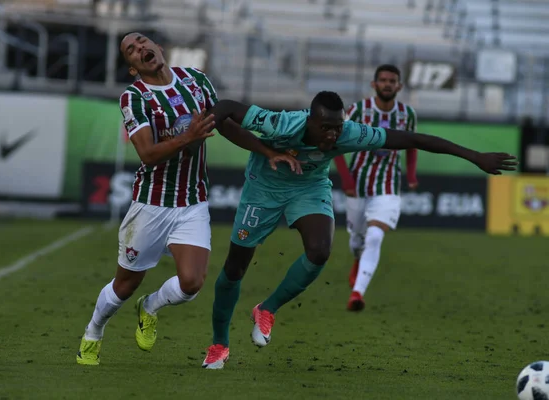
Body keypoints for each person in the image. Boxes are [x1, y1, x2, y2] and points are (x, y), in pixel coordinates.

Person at [200, 91, 517, 369]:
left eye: (337, 127)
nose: (332, 135)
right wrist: (266, 151)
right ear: (310, 121)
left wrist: (475, 156)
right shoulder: (280, 124)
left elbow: (413, 140)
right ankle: (219, 344)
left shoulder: (350, 133)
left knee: (320, 250)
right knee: (235, 268)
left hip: (308, 188)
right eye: (325, 128)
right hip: (263, 189)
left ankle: (267, 309)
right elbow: (225, 109)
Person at [76, 33, 299, 366]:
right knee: (125, 284)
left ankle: (149, 306)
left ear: (159, 48)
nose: (140, 48)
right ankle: (93, 333)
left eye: (143, 42)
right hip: (151, 203)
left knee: (192, 283)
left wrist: (267, 151)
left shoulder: (196, 80)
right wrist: (188, 137)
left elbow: (225, 125)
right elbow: (148, 153)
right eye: (131, 50)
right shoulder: (134, 97)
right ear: (133, 68)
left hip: (192, 201)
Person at [333, 64, 417, 312]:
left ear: (399, 86)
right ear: (374, 84)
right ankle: (357, 260)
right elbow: (335, 141)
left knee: (375, 236)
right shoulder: (358, 110)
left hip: (388, 185)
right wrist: (346, 179)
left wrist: (411, 174)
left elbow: (412, 143)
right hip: (358, 184)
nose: (387, 84)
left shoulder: (407, 114)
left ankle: (357, 293)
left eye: (392, 81)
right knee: (357, 241)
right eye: (383, 80)